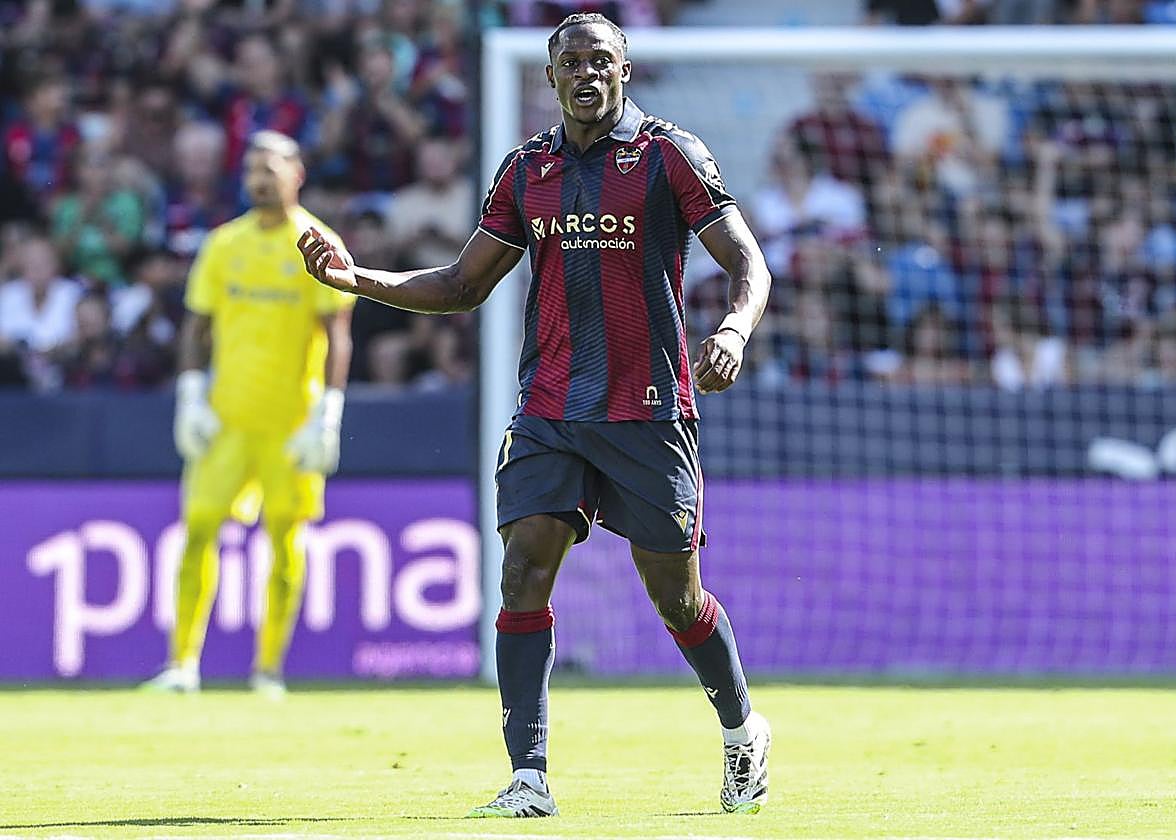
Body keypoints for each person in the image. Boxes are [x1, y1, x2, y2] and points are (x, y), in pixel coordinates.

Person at [298, 13, 772, 817]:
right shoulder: (526, 171)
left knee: (676, 597)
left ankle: (741, 732)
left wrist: (730, 329)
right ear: (549, 78)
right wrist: (357, 281)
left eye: (601, 61)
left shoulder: (667, 156)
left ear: (624, 70)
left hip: (646, 409)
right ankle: (529, 776)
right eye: (571, 63)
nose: (587, 74)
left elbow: (747, 262)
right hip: (551, 406)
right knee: (522, 572)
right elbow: (459, 285)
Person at [143, 130, 354, 696]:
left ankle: (268, 670)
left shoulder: (319, 244)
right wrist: (190, 395)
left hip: (290, 422)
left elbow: (337, 334)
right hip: (227, 418)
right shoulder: (223, 245)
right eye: (253, 170)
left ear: (297, 174)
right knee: (198, 530)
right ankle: (183, 664)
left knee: (286, 539)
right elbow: (197, 325)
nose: (260, 179)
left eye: (271, 168)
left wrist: (327, 414)